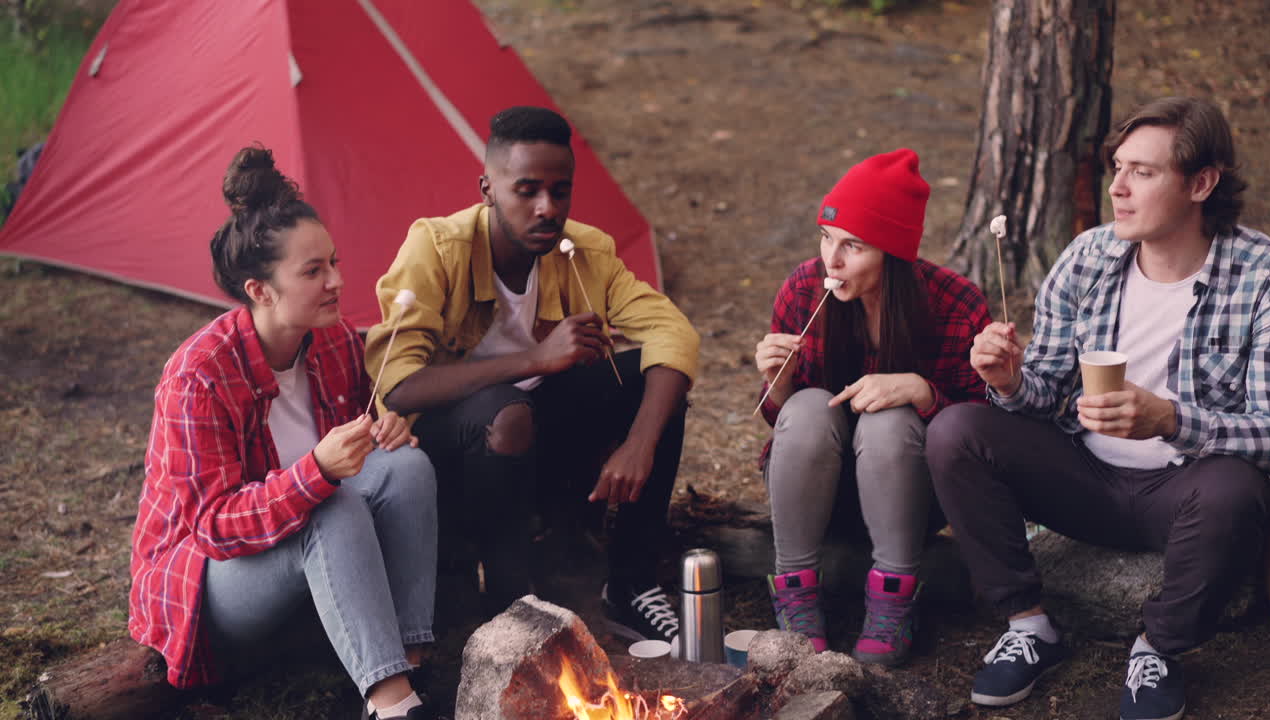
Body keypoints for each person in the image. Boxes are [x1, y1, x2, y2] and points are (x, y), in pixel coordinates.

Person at [925, 97, 1270, 720]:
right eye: (1118, 167)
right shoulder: (1088, 258)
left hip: (1185, 494)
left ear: (1201, 183)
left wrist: (1169, 420)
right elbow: (1046, 394)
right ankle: (1030, 626)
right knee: (957, 429)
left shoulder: (1264, 277)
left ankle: (1158, 648)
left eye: (1143, 172)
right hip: (1083, 480)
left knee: (1234, 488)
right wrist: (1009, 382)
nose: (1117, 187)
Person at [363, 106, 699, 643]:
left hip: (535, 441)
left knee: (653, 383)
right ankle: (509, 602)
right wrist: (534, 360)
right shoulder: (437, 247)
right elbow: (397, 385)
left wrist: (639, 444)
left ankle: (630, 583)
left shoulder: (583, 251)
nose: (547, 208)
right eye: (526, 190)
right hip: (448, 450)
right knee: (508, 411)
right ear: (488, 189)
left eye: (560, 191)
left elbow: (673, 332)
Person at [129, 147, 439, 720]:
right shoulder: (198, 375)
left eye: (334, 262)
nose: (337, 281)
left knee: (407, 468)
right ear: (259, 291)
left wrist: (384, 431)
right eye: (313, 271)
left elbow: (364, 453)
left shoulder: (335, 342)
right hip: (210, 586)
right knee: (330, 508)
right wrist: (317, 472)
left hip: (305, 552)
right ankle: (392, 707)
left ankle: (413, 659)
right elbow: (214, 528)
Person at [754, 148, 991, 663]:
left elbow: (983, 431)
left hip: (910, 502)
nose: (831, 261)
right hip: (816, 499)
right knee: (810, 407)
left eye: (853, 246)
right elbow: (784, 421)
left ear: (894, 253)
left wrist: (924, 393)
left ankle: (894, 598)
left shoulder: (956, 305)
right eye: (826, 238)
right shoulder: (801, 292)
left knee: (889, 420)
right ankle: (795, 591)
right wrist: (779, 382)